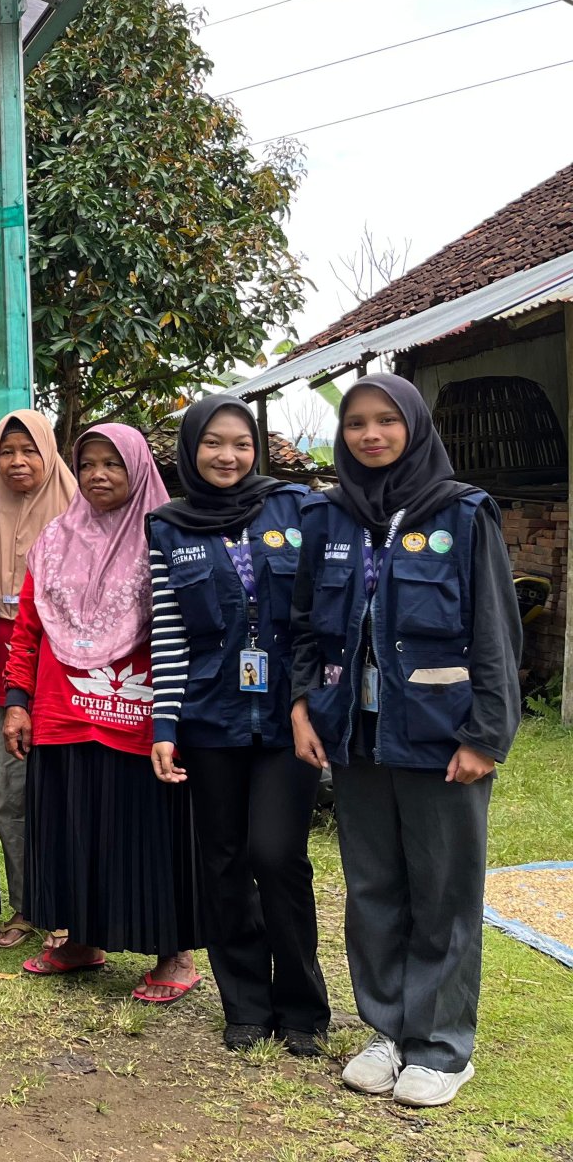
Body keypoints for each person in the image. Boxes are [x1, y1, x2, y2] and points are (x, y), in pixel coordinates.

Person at [290, 376, 522, 1108]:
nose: (371, 434)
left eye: (387, 420)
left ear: (413, 427)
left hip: (440, 737)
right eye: (357, 422)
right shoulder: (328, 518)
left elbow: (495, 630)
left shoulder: (463, 513)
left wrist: (485, 733)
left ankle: (443, 1048)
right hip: (357, 739)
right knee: (374, 889)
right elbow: (304, 626)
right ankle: (386, 1031)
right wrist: (303, 708)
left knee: (444, 893)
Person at [146, 396, 329, 1055]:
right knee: (222, 863)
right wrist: (165, 724)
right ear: (191, 449)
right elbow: (167, 636)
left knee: (277, 857)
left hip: (288, 723)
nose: (228, 456)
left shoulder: (297, 507)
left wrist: (314, 699)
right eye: (213, 443)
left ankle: (304, 1007)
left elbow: (317, 617)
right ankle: (246, 1005)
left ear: (257, 448)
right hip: (209, 719)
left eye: (241, 443)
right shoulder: (166, 526)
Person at [4, 423, 205, 1003]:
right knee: (72, 826)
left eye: (112, 464)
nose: (98, 475)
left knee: (146, 830)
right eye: (88, 463)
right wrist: (17, 701)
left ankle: (175, 952)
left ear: (139, 468)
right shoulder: (54, 539)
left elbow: (187, 630)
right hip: (63, 711)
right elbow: (27, 628)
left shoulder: (166, 536)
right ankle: (81, 939)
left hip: (141, 713)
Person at [0, 410, 75, 948]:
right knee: (6, 791)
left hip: (67, 684)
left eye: (29, 450)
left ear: (48, 452)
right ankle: (27, 905)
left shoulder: (80, 516)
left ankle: (68, 908)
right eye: (7, 452)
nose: (17, 462)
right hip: (0, 682)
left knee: (62, 795)